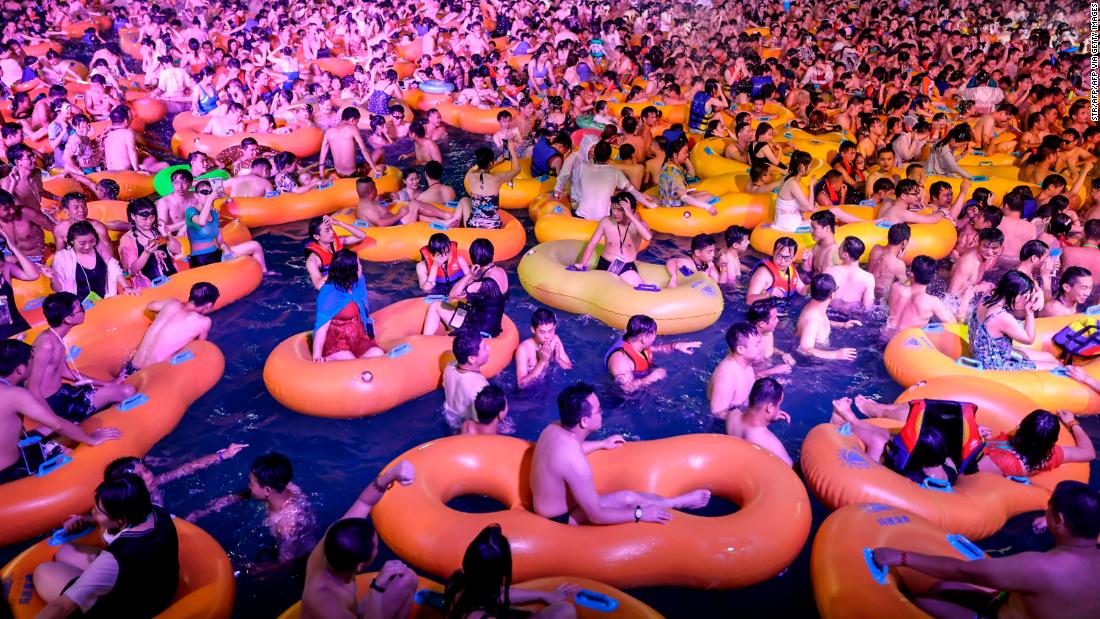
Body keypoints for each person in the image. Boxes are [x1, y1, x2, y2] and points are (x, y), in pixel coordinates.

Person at [871, 480, 1100, 619]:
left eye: (1048, 510)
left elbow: (962, 570)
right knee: (943, 587)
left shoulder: (1041, 567)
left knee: (922, 603)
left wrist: (901, 557)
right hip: (1016, 606)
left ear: (1059, 520)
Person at [530, 382, 711, 525]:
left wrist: (602, 443)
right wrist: (639, 514)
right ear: (584, 421)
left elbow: (564, 456)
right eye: (598, 411)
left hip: (543, 505)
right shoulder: (575, 463)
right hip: (559, 518)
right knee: (629, 498)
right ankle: (677, 503)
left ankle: (675, 502)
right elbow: (596, 516)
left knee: (626, 497)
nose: (601, 413)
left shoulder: (552, 429)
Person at [31, 475, 180, 618]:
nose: (92, 512)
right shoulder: (156, 512)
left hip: (130, 611)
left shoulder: (117, 556)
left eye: (98, 511)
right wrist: (88, 520)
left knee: (43, 571)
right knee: (65, 552)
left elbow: (62, 606)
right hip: (157, 591)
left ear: (120, 521)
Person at [298, 462, 418, 619]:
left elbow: (364, 502)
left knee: (406, 578)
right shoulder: (325, 602)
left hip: (351, 610)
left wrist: (391, 475)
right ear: (360, 566)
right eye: (375, 546)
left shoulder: (335, 539)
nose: (377, 545)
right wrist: (377, 587)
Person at [0, 340, 121, 483]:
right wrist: (91, 440)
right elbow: (57, 424)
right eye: (31, 360)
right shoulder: (15, 394)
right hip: (10, 472)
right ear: (20, 369)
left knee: (57, 425)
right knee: (71, 449)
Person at [187, 452, 317, 563]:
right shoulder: (284, 485)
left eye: (252, 484)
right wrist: (209, 509)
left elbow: (286, 561)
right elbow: (247, 494)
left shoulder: (286, 526)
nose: (249, 486)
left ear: (267, 490)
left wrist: (250, 569)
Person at [27, 292, 136, 423]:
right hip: (55, 404)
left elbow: (64, 372)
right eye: (81, 309)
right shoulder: (46, 344)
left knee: (116, 391)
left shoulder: (55, 337)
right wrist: (53, 421)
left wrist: (107, 383)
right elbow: (32, 386)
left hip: (64, 393)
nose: (84, 311)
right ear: (68, 319)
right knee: (127, 391)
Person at [442, 524, 578, 619]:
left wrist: (542, 595)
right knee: (565, 612)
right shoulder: (480, 616)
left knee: (564, 610)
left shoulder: (456, 581)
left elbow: (493, 592)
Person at [968, 270, 1061, 371]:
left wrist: (1039, 292)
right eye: (1025, 297)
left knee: (1049, 357)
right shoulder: (1001, 317)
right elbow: (1029, 339)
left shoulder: (987, 298)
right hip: (995, 365)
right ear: (1016, 295)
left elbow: (1028, 283)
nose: (1027, 300)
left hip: (983, 355)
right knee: (1057, 366)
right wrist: (1029, 312)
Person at [121, 283, 220, 377]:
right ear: (209, 305)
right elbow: (199, 347)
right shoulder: (203, 321)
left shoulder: (171, 304)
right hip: (151, 374)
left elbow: (149, 306)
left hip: (130, 366)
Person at [422, 238, 508, 337]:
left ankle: (426, 341)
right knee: (463, 306)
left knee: (435, 306)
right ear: (492, 254)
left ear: (473, 259)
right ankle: (452, 328)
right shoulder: (501, 272)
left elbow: (452, 295)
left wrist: (469, 275)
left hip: (478, 331)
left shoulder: (479, 285)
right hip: (493, 326)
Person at [976, 409, 1096, 477]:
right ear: (1052, 442)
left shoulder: (1003, 461)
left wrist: (971, 434)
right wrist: (1072, 423)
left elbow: (964, 472)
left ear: (1022, 426)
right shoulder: (1051, 456)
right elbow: (1088, 452)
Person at [313, 249, 383, 363]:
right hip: (337, 338)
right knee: (350, 361)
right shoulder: (330, 293)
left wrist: (370, 331)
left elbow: (363, 311)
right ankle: (329, 358)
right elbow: (322, 326)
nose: (361, 267)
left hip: (356, 336)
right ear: (351, 271)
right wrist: (316, 356)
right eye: (359, 265)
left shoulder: (358, 282)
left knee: (378, 353)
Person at [186, 182, 272, 272]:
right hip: (201, 259)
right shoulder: (190, 211)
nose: (208, 195)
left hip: (216, 254)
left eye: (210, 192)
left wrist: (227, 251)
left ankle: (264, 274)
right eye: (204, 192)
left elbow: (220, 241)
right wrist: (210, 199)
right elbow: (201, 222)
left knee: (255, 246)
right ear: (196, 195)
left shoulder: (214, 214)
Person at [573, 192, 653, 287]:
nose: (614, 212)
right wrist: (582, 264)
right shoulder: (606, 222)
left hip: (626, 268)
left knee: (640, 292)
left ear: (630, 211)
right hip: (605, 264)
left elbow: (648, 237)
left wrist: (631, 216)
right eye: (613, 208)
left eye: (619, 210)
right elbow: (592, 244)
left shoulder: (638, 225)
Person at [606, 314, 701, 394]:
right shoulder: (620, 360)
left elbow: (657, 348)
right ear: (644, 339)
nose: (655, 337)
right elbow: (627, 389)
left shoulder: (636, 344)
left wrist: (676, 346)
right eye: (653, 335)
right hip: (620, 399)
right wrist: (652, 377)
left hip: (640, 377)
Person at [48, 221, 131, 300]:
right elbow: (59, 289)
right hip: (77, 307)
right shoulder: (61, 258)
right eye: (82, 243)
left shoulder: (99, 247)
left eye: (92, 241)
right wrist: (53, 277)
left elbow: (113, 267)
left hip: (106, 300)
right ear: (71, 241)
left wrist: (126, 287)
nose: (88, 246)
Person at [575, 140, 655, 220]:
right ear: (609, 156)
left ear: (594, 155)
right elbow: (634, 192)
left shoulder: (583, 168)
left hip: (581, 215)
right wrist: (651, 205)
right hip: (602, 218)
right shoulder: (615, 172)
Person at [725, 378, 793, 466]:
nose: (778, 409)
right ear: (770, 408)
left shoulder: (732, 414)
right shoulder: (768, 441)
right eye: (778, 406)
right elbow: (790, 470)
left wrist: (770, 417)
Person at [117, 198, 180, 290]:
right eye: (144, 218)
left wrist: (166, 233)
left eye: (152, 217)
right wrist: (146, 253)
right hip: (149, 286)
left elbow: (178, 250)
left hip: (173, 278)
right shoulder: (128, 239)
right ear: (133, 216)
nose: (149, 221)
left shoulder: (158, 230)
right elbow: (132, 270)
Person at [708, 322, 766, 419]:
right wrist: (754, 418)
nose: (761, 348)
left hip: (741, 410)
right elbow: (717, 413)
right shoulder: (727, 375)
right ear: (741, 349)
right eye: (757, 345)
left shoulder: (746, 363)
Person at [796, 274, 860, 361]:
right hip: (812, 364)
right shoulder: (813, 321)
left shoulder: (815, 307)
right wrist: (836, 354)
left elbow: (820, 323)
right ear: (832, 295)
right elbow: (804, 349)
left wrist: (842, 324)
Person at [887, 256, 960, 331]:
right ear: (931, 278)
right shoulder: (932, 302)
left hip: (885, 334)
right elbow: (953, 324)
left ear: (911, 274)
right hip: (904, 341)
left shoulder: (895, 287)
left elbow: (888, 303)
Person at [459, 146, 520, 229]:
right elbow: (517, 170)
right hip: (494, 227)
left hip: (474, 226)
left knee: (464, 200)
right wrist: (512, 149)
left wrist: (494, 163)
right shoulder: (497, 178)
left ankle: (454, 220)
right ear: (491, 163)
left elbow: (477, 167)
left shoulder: (470, 175)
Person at [948, 227, 1004, 315]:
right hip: (956, 309)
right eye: (985, 246)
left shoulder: (986, 255)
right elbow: (950, 295)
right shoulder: (968, 264)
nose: (989, 252)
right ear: (979, 243)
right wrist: (978, 288)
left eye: (994, 248)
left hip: (968, 299)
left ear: (1000, 247)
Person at [515, 308, 572, 389]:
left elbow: (569, 368)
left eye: (550, 331)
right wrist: (542, 362)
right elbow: (521, 385)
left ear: (555, 327)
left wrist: (558, 359)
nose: (547, 336)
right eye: (542, 332)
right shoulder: (524, 349)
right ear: (533, 330)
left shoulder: (555, 339)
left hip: (549, 384)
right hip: (530, 392)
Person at [304, 215, 366, 290]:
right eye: (327, 230)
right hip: (330, 286)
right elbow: (318, 286)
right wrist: (338, 270)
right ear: (317, 237)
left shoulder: (339, 241)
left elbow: (362, 236)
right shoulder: (313, 260)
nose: (332, 232)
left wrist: (339, 223)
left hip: (343, 279)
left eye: (331, 228)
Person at [442, 331, 490, 423]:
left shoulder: (449, 367)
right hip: (465, 430)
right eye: (484, 348)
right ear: (471, 359)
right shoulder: (480, 388)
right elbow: (482, 424)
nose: (488, 348)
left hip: (448, 419)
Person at [0, 227, 39, 338]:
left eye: (1, 266)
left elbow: (33, 275)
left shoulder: (6, 269)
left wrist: (14, 248)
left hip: (19, 328)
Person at [746, 237, 808, 305]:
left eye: (787, 257)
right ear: (773, 253)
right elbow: (749, 300)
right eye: (779, 256)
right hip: (766, 310)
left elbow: (802, 290)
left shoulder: (792, 270)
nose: (782, 261)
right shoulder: (763, 273)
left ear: (793, 258)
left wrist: (814, 285)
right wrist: (767, 295)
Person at [318, 107, 378, 178]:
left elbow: (322, 156)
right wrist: (375, 170)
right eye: (357, 122)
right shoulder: (353, 129)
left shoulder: (328, 132)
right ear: (352, 120)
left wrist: (322, 177)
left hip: (338, 173)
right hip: (353, 173)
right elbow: (364, 151)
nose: (356, 125)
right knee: (380, 151)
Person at [825, 236, 875, 308]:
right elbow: (868, 307)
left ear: (845, 254)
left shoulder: (829, 271)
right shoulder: (868, 278)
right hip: (852, 315)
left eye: (840, 248)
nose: (838, 249)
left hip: (831, 312)